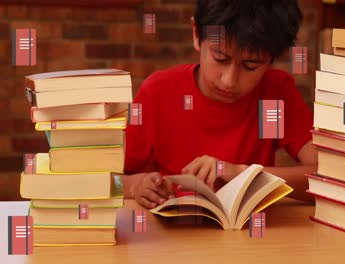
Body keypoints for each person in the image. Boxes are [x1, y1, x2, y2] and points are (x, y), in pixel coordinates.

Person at [123, 0, 317, 209]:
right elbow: (104, 178)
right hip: (173, 235)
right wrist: (136, 186)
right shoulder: (158, 93)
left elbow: (331, 178)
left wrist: (245, 174)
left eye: (251, 66)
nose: (229, 81)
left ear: (271, 60)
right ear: (197, 34)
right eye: (220, 58)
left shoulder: (275, 94)